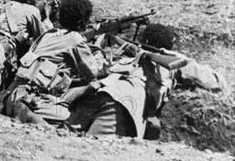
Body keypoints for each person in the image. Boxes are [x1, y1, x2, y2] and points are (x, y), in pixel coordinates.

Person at [65, 23, 228, 139]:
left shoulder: (126, 56)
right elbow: (217, 82)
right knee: (96, 154)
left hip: (90, 95)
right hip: (120, 103)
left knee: (67, 142)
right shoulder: (171, 62)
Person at [1, 0, 106, 125]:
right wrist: (98, 51)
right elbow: (93, 73)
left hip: (14, 96)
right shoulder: (75, 38)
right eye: (87, 19)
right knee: (82, 120)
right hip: (34, 101)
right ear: (81, 22)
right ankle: (28, 116)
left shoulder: (48, 34)